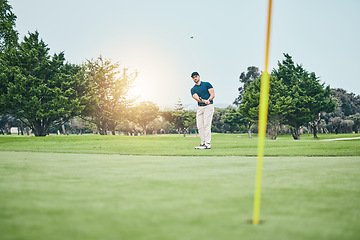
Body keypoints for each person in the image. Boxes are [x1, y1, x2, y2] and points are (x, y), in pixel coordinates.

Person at [190, 72, 215, 149]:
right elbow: (197, 98)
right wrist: (204, 101)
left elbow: (212, 94)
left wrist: (209, 100)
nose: (195, 78)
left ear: (199, 76)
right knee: (200, 126)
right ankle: (203, 143)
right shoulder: (193, 89)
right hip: (200, 107)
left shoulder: (207, 84)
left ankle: (207, 143)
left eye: (196, 76)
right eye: (193, 77)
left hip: (209, 106)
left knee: (206, 125)